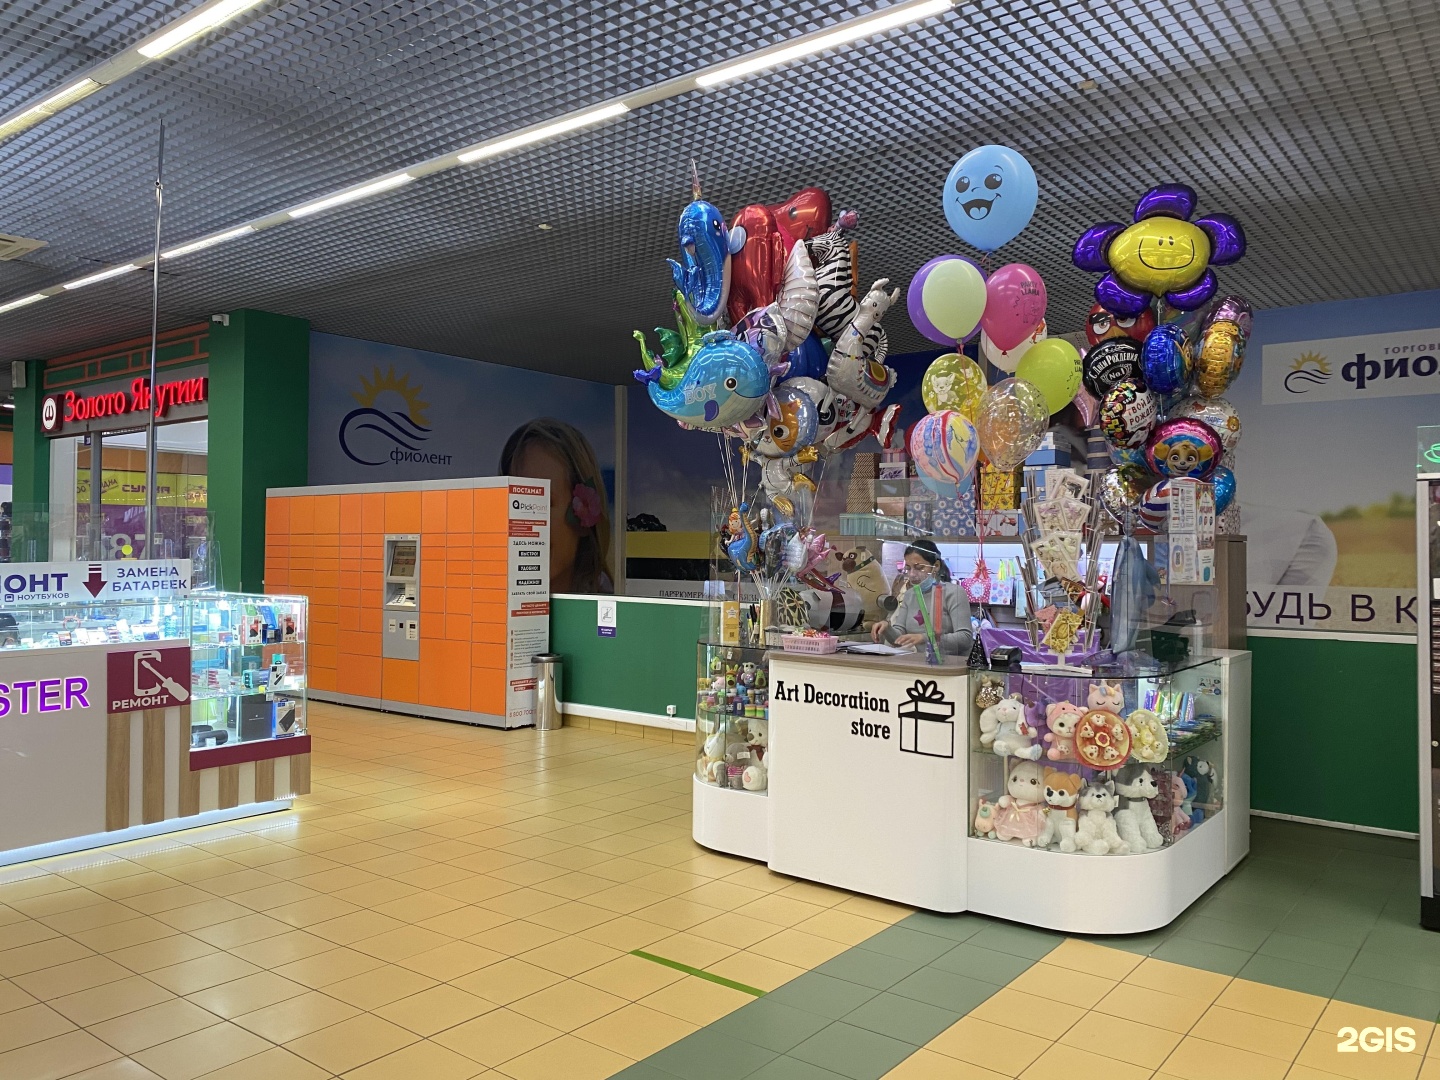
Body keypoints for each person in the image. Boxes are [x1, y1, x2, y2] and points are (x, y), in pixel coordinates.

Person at [500, 418, 614, 594]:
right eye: (516, 502)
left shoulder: (608, 608)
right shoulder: (482, 604)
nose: (525, 521)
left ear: (584, 517)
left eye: (542, 502)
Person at [870, 538, 974, 655]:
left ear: (936, 566)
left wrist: (925, 638)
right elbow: (899, 638)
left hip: (948, 662)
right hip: (917, 662)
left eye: (919, 568)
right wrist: (887, 629)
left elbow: (965, 638)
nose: (912, 574)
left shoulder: (954, 593)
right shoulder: (910, 595)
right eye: (908, 568)